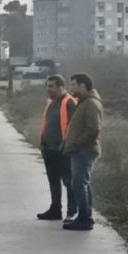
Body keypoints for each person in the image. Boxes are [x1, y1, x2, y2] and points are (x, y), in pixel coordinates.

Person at [62, 73, 103, 231]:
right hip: (80, 150)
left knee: (78, 184)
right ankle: (85, 216)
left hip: (84, 151)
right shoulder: (83, 102)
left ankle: (84, 219)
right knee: (82, 184)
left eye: (73, 84)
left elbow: (93, 129)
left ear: (82, 85)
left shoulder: (91, 104)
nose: (70, 88)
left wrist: (77, 145)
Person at [36, 75, 77, 220]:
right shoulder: (50, 102)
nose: (48, 89)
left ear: (60, 87)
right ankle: (55, 210)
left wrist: (67, 145)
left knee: (68, 181)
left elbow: (73, 126)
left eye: (51, 86)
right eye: (47, 86)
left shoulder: (69, 102)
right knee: (53, 181)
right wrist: (42, 143)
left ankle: (72, 211)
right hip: (49, 149)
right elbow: (46, 124)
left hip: (63, 150)